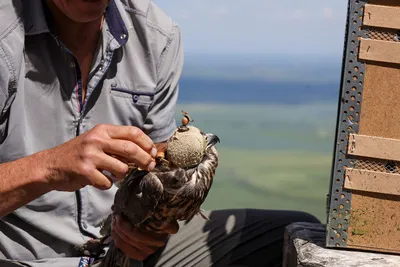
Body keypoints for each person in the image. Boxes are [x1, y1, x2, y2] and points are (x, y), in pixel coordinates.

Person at [0, 0, 320, 266]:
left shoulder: (156, 35)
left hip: (116, 246)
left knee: (296, 234)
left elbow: (159, 166)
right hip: (22, 257)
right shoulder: (5, 36)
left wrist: (148, 226)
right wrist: (48, 168)